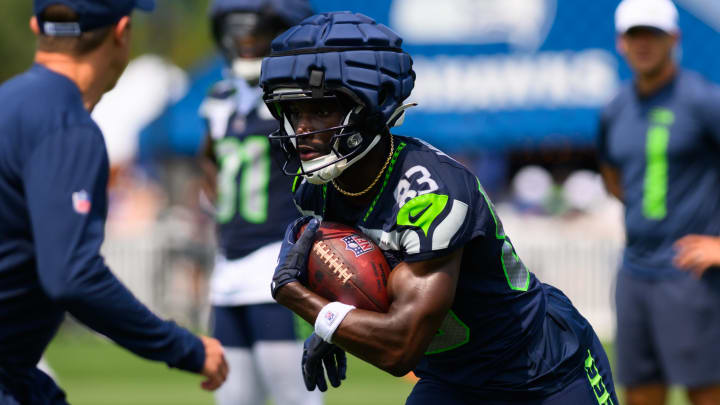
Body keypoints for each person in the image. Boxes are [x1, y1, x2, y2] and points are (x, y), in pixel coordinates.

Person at [261, 11, 619, 404]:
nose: (303, 130)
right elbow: (368, 278)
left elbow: (400, 348)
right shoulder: (317, 188)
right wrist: (332, 327)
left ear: (369, 107)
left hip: (541, 373)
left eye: (321, 110)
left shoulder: (430, 193)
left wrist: (306, 303)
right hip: (453, 380)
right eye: (294, 113)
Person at [0, 1, 228, 403]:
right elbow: (72, 275)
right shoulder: (67, 125)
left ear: (37, 26)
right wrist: (184, 347)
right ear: (122, 32)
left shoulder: (10, 103)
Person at [197, 1, 321, 404]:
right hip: (228, 263)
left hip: (275, 257)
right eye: (239, 37)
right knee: (233, 397)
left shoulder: (293, 99)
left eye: (256, 36)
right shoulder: (221, 97)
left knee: (294, 396)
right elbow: (209, 157)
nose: (246, 44)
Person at [597, 0, 720, 404]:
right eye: (635, 34)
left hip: (692, 277)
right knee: (640, 393)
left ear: (675, 38)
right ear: (620, 43)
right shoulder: (615, 109)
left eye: (653, 33)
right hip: (634, 272)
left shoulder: (705, 101)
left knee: (706, 391)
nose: (643, 43)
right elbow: (613, 175)